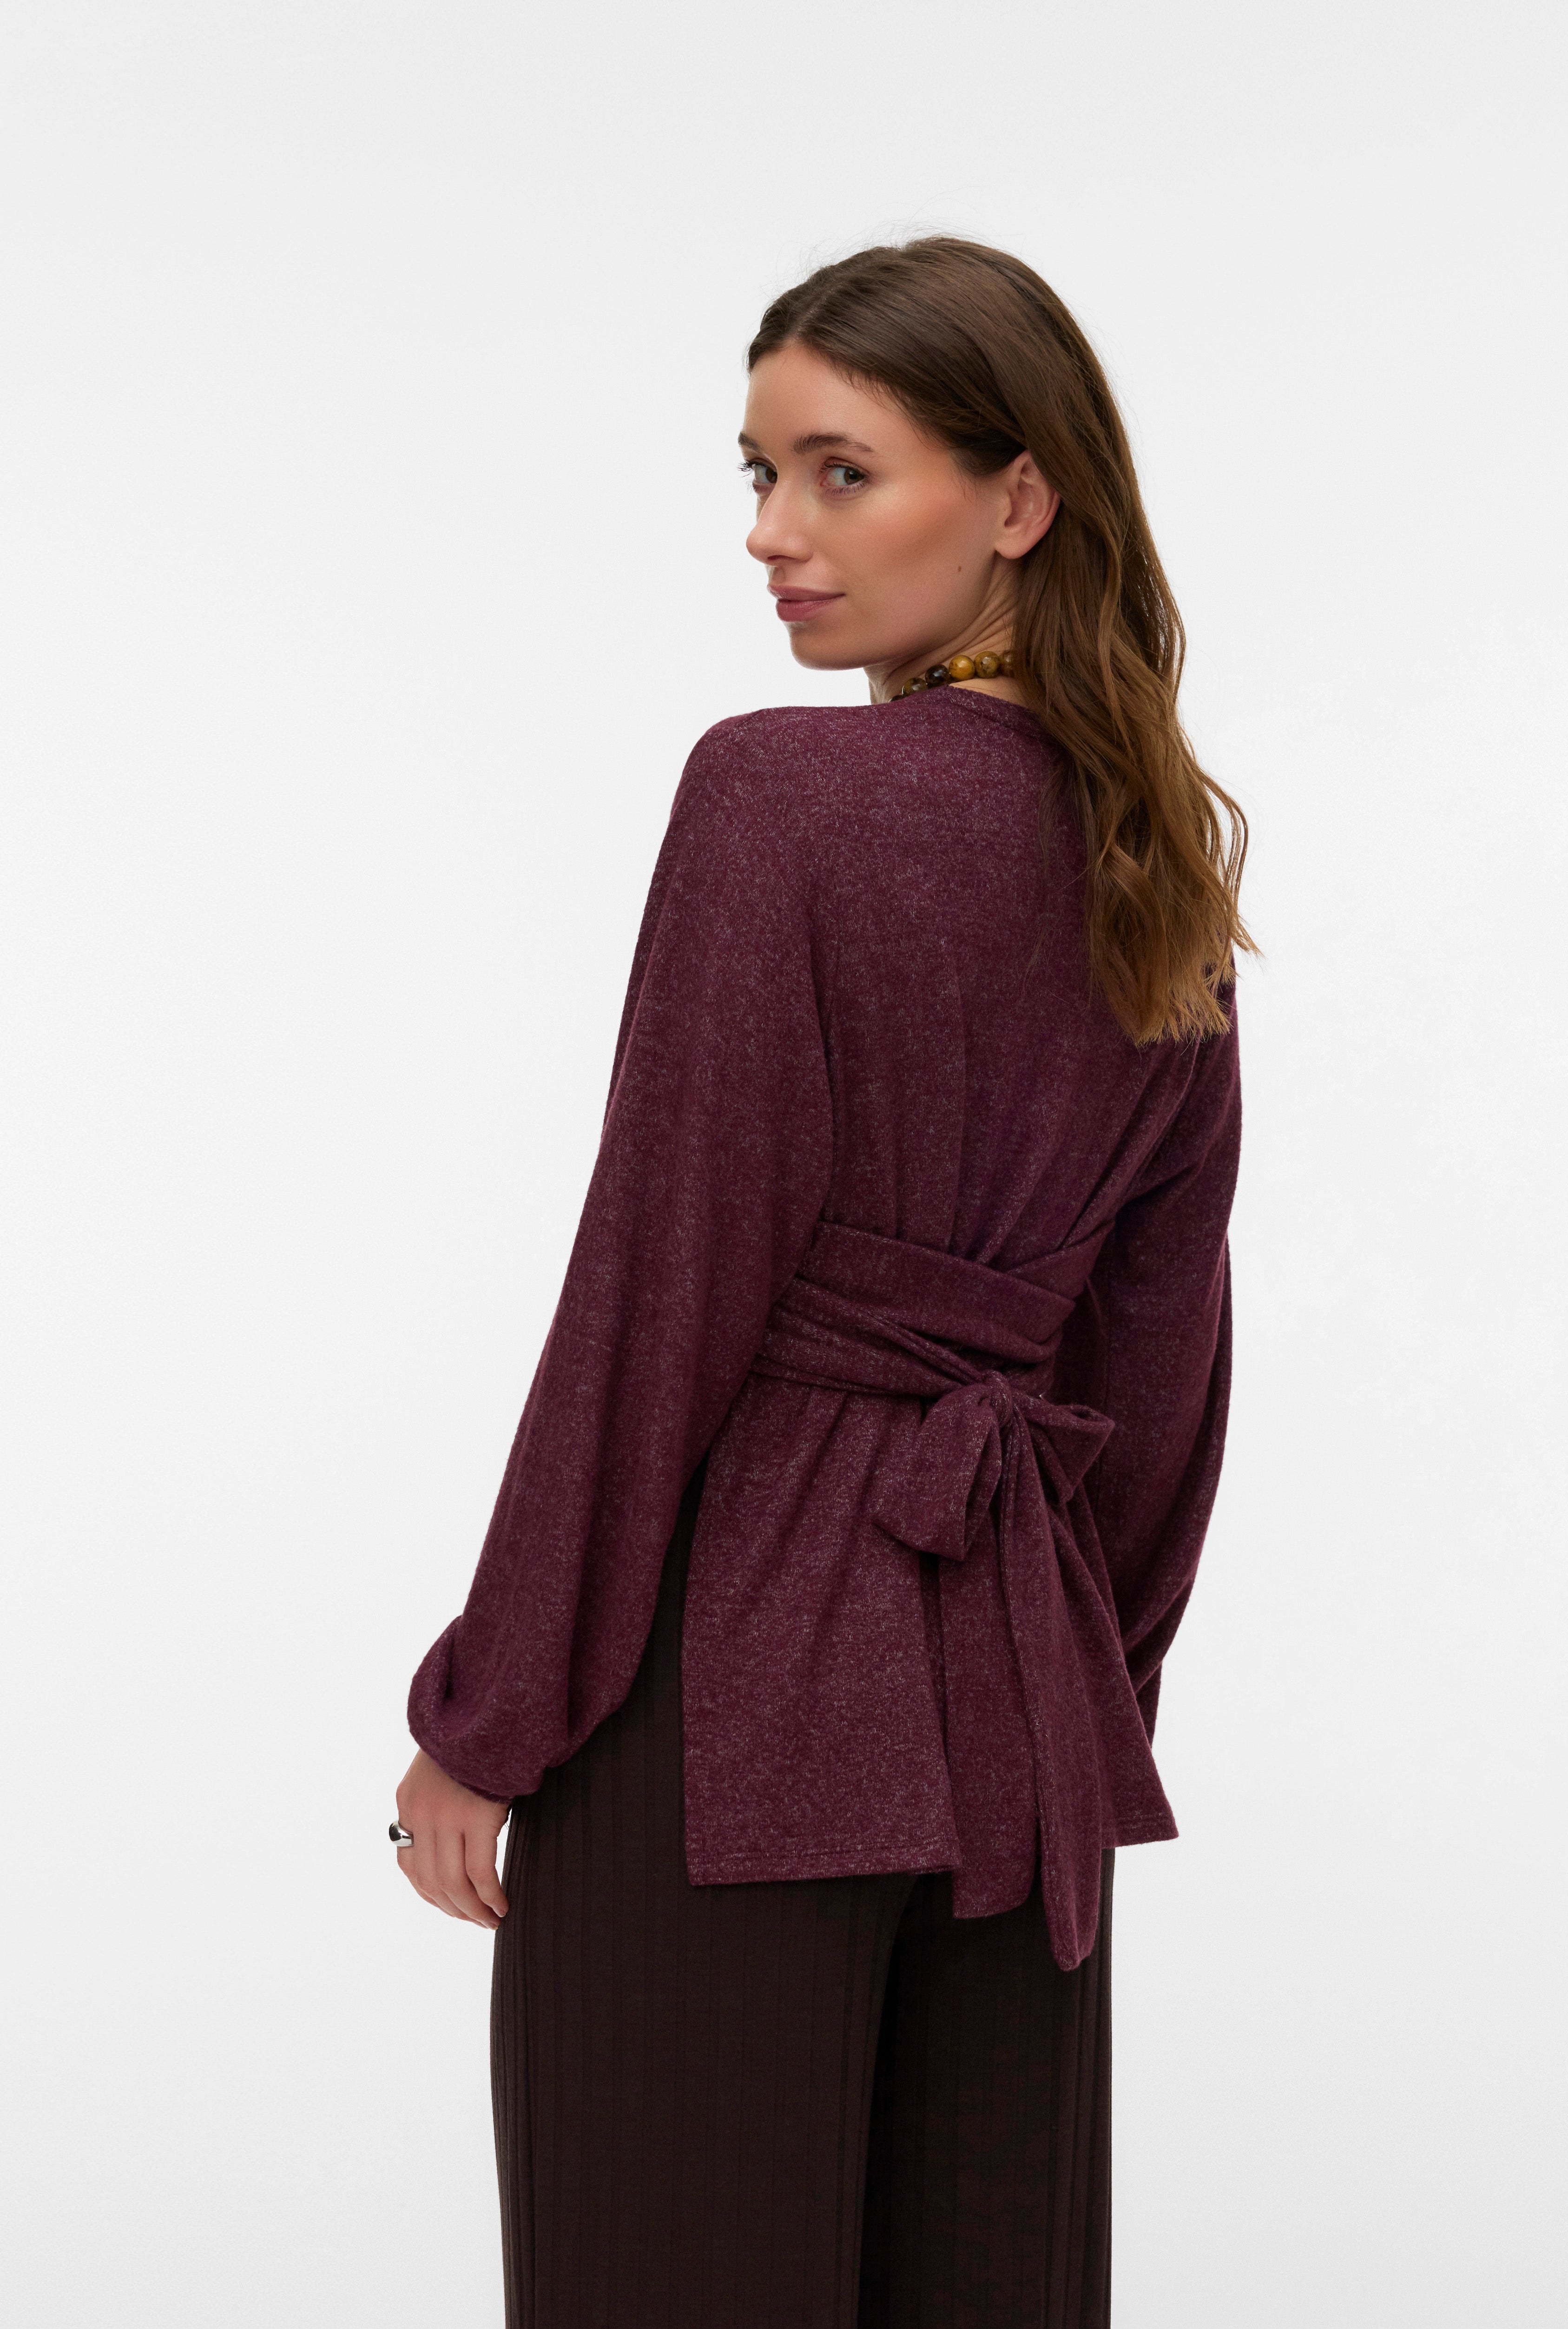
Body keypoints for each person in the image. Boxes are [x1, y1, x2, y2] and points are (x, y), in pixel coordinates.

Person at [392, 235, 1249, 2329]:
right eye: (760, 473)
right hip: (1018, 1726)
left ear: (1020, 497)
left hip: (732, 1696)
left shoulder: (778, 797)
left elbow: (659, 1288)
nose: (772, 532)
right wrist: (1083, 1696)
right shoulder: (1158, 872)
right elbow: (1162, 1372)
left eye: (840, 473)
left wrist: (493, 1711)